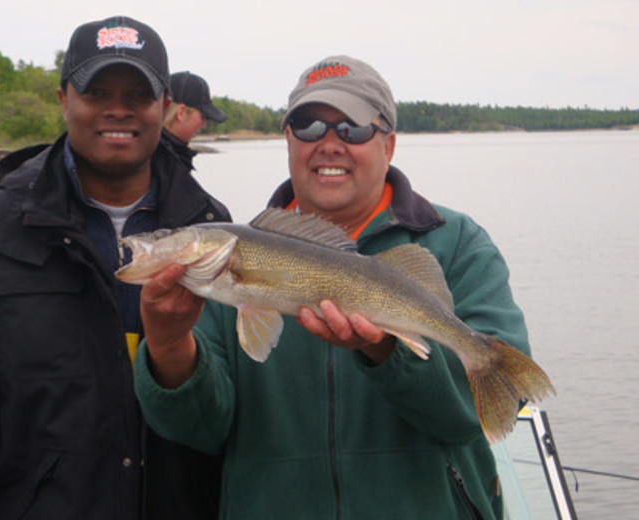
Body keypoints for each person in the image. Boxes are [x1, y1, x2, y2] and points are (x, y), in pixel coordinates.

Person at [133, 55, 531, 519]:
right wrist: (166, 343)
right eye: (308, 126)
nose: (329, 144)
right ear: (288, 140)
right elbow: (198, 429)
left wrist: (388, 352)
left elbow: (470, 419)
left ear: (390, 145)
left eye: (354, 129)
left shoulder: (455, 243)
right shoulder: (232, 262)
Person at [0, 15, 229, 520]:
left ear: (164, 107)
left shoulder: (214, 232)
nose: (118, 110)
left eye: (138, 94)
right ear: (63, 100)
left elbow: (230, 418)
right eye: (97, 91)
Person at [161, 71, 227, 169]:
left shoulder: (146, 153)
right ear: (181, 113)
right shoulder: (163, 163)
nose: (204, 126)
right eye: (203, 117)